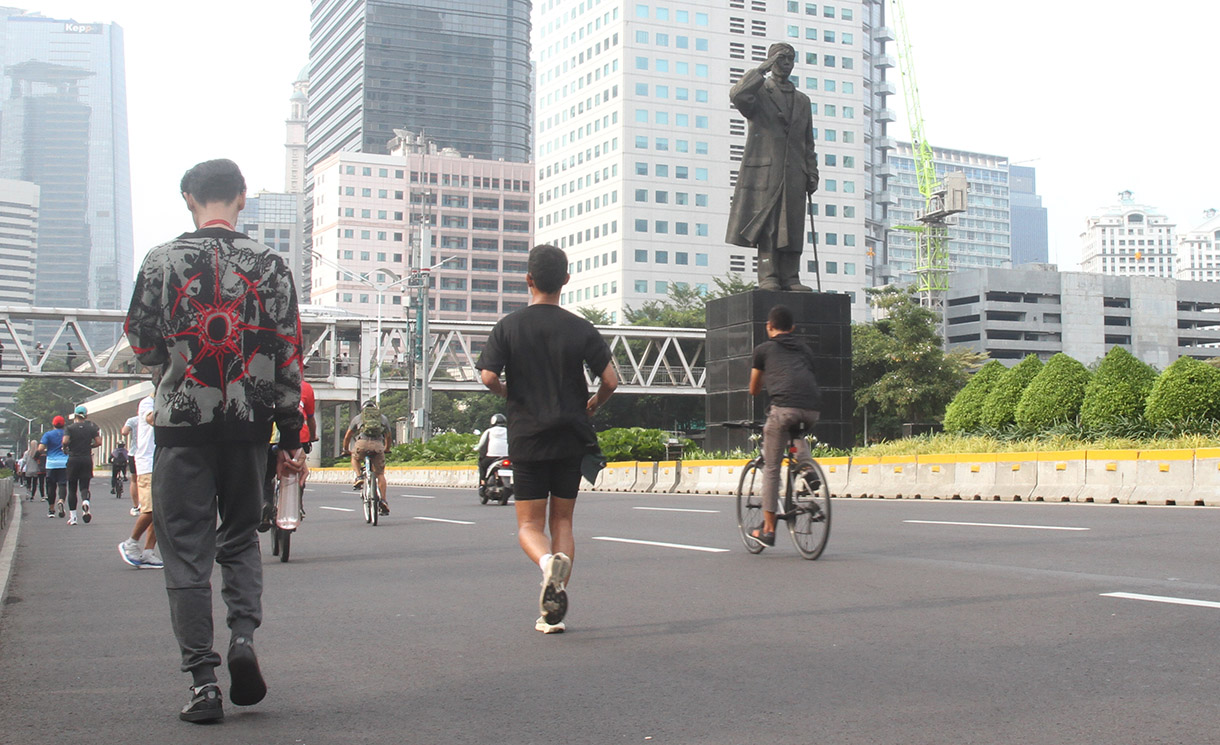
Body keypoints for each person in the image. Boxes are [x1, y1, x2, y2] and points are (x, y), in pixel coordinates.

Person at [125, 158, 304, 724]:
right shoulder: (271, 264)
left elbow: (140, 337)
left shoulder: (161, 260)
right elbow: (286, 350)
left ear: (187, 198)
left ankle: (204, 681)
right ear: (242, 199)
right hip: (249, 429)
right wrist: (291, 431)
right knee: (239, 541)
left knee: (185, 551)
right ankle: (244, 639)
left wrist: (169, 373)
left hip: (181, 430)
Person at [476, 244, 618, 634]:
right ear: (566, 281)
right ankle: (552, 609)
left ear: (529, 279)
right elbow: (611, 381)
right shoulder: (581, 327)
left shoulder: (509, 326)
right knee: (563, 522)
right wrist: (593, 404)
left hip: (528, 436)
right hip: (571, 435)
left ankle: (544, 567)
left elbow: (488, 377)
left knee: (528, 526)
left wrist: (510, 393)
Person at [724, 42, 820, 292]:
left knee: (793, 225)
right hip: (766, 171)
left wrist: (812, 171)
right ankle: (768, 276)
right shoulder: (759, 93)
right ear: (771, 61)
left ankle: (791, 276)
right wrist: (761, 70)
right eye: (780, 58)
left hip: (795, 172)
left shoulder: (802, 100)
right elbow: (737, 95)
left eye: (790, 59)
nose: (786, 63)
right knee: (769, 224)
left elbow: (807, 141)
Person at [746, 305, 823, 548]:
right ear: (792, 328)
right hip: (811, 409)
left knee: (771, 467)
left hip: (783, 409)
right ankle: (807, 469)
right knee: (796, 430)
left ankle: (768, 529)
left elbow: (754, 388)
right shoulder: (805, 349)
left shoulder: (763, 350)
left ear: (769, 327)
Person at [260, 372, 316, 532]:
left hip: (269, 439)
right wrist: (312, 437)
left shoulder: (263, 383)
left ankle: (266, 504)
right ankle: (297, 505)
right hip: (298, 437)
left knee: (267, 476)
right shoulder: (306, 388)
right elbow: (310, 418)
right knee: (298, 470)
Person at [119, 393, 161, 569]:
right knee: (150, 509)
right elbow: (151, 419)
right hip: (147, 464)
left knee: (161, 512)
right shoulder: (148, 403)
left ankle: (149, 552)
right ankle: (131, 542)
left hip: (161, 462)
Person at [342, 400, 392, 515]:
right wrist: (387, 448)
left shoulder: (358, 418)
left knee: (355, 458)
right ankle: (383, 500)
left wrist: (345, 450)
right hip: (378, 445)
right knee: (380, 474)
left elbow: (347, 436)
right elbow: (388, 436)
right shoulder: (382, 418)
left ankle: (359, 477)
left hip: (362, 444)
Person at [61, 405, 101, 525]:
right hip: (86, 459)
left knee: (72, 488)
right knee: (84, 486)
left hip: (73, 459)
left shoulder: (70, 428)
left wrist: (65, 448)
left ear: (75, 415)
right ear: (86, 416)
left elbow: (65, 441)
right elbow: (98, 442)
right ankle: (86, 502)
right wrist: (90, 446)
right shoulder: (91, 428)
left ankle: (73, 517)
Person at [39, 416, 68, 518]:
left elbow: (41, 448)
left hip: (51, 464)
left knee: (51, 486)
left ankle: (51, 509)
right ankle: (61, 500)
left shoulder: (48, 435)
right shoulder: (67, 434)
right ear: (64, 424)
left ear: (53, 424)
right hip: (64, 463)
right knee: (62, 484)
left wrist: (40, 454)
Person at [477, 413, 509, 497]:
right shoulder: (509, 431)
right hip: (507, 457)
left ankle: (483, 483)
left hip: (492, 457)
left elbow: (481, 445)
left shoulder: (489, 431)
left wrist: (477, 449)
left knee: (481, 464)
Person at [121, 411, 140, 513]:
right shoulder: (154, 418)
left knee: (134, 480)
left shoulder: (133, 420)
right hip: (150, 453)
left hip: (134, 453)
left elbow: (124, 432)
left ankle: (136, 506)